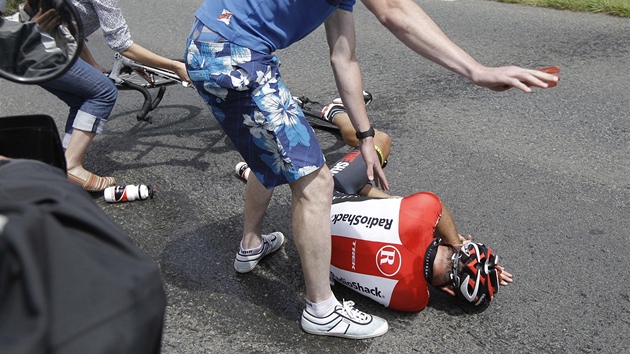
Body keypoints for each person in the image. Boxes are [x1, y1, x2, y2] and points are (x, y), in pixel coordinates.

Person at [185, 1, 389, 340]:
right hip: (236, 54)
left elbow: (344, 56)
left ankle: (250, 245)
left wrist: (366, 135)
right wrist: (476, 70)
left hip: (209, 42)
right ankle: (322, 310)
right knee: (315, 183)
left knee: (266, 149)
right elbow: (396, 13)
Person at [236, 99, 513, 312]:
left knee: (380, 141)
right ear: (450, 292)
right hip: (310, 254)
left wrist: (456, 242)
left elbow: (434, 211)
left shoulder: (425, 213)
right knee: (378, 198)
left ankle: (336, 112)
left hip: (328, 200)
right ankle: (261, 176)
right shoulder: (413, 301)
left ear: (458, 246)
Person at [24, 0, 191, 191]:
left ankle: (62, 162)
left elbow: (71, 28)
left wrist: (92, 63)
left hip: (29, 44)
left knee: (81, 98)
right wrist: (175, 66)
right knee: (103, 92)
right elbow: (122, 45)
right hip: (39, 46)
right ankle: (71, 165)